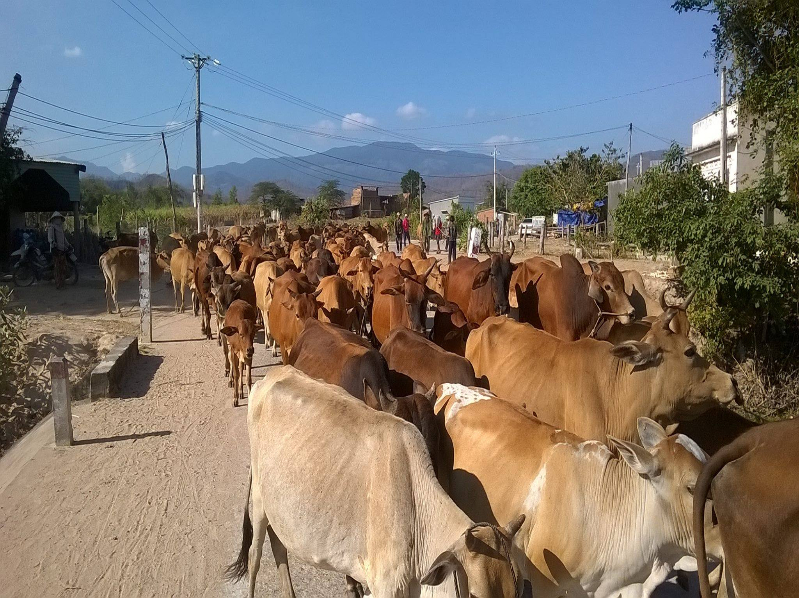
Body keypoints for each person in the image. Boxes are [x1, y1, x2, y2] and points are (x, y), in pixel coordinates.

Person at [47, 211, 68, 289]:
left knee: (63, 268)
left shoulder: (60, 229)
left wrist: (68, 245)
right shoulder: (51, 228)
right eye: (57, 218)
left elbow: (64, 239)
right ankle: (58, 284)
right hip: (56, 250)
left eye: (59, 218)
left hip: (62, 250)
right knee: (57, 268)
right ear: (54, 219)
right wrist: (52, 242)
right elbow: (49, 238)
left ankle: (62, 283)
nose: (58, 220)